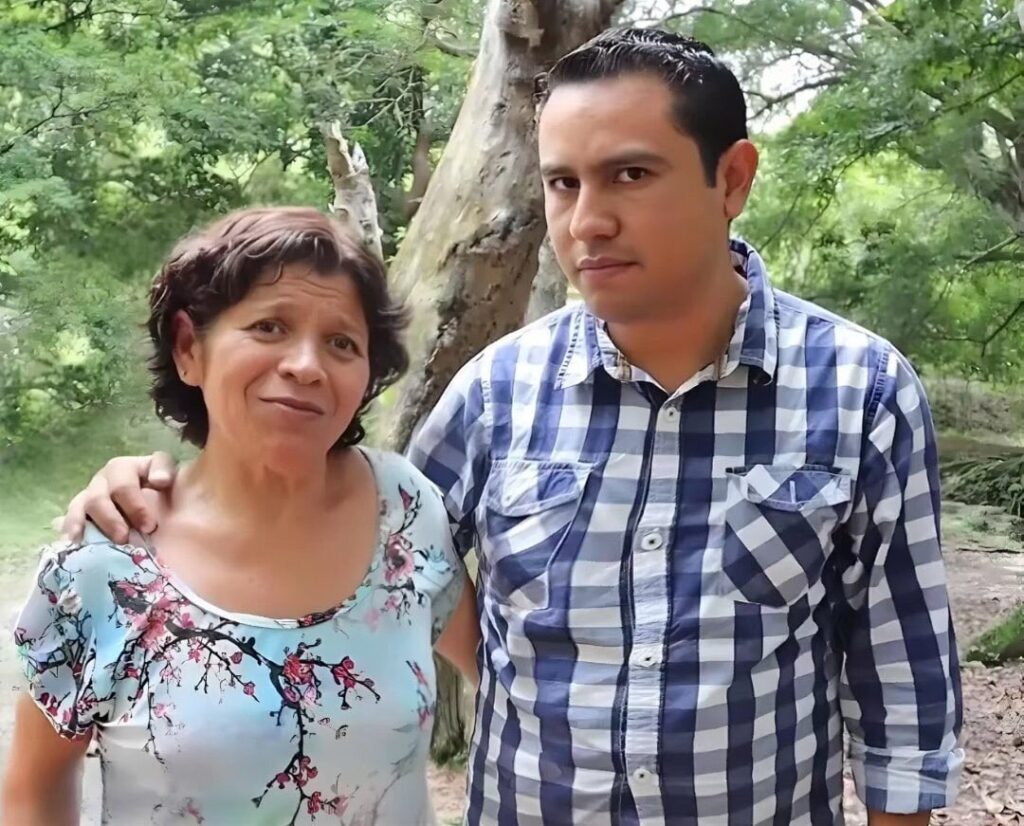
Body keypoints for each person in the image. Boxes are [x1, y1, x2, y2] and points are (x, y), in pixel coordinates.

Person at [54, 29, 963, 826]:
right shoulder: (497, 395)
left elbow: (903, 683)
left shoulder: (860, 391)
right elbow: (341, 531)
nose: (587, 221)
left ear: (732, 178)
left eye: (631, 175)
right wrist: (160, 500)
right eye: (562, 183)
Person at [1, 207, 479, 826]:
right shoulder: (105, 565)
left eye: (341, 342)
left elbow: (510, 677)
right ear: (188, 348)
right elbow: (33, 790)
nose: (306, 364)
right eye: (269, 326)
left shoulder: (406, 511)